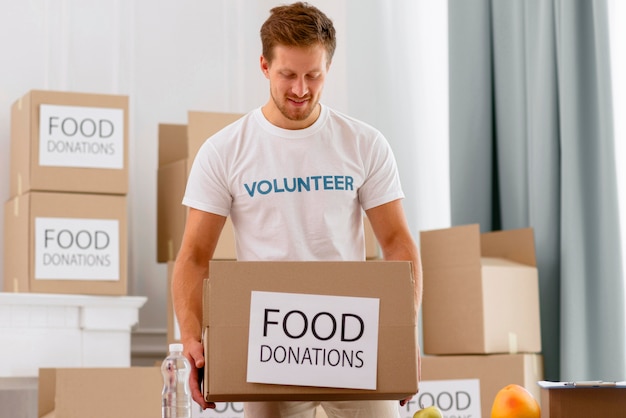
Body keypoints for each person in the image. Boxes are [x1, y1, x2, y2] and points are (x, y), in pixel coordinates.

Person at [172, 2, 422, 417]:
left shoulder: (364, 143)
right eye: (288, 74)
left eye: (314, 75)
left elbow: (397, 243)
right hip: (266, 342)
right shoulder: (224, 151)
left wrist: (402, 330)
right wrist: (192, 337)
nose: (301, 89)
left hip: (352, 338)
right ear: (265, 66)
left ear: (328, 69)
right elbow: (194, 256)